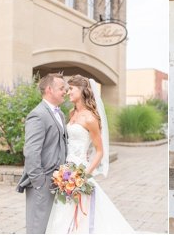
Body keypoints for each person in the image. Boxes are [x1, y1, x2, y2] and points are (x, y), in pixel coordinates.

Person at [46, 74, 134, 233]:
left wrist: (83, 175)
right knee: (64, 210)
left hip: (80, 170)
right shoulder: (72, 113)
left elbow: (100, 151)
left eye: (71, 88)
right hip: (65, 170)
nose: (68, 92)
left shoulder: (90, 118)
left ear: (82, 90)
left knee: (82, 213)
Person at [16, 73, 68, 234]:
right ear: (49, 90)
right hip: (43, 183)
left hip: (58, 182)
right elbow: (31, 152)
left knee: (52, 228)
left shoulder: (60, 114)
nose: (65, 91)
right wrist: (40, 183)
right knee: (38, 229)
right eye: (61, 88)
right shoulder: (37, 115)